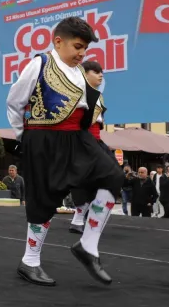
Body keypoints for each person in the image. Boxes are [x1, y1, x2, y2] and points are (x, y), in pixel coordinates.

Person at [6, 17, 124, 286]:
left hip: (77, 139)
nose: (81, 54)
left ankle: (88, 246)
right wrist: (23, 136)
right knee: (43, 201)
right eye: (78, 47)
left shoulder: (81, 72)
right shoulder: (40, 64)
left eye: (85, 49)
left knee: (113, 176)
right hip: (44, 138)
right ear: (58, 41)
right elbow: (14, 101)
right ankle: (30, 261)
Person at [68, 60, 115, 233]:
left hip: (96, 142)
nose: (101, 75)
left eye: (101, 72)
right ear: (84, 74)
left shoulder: (98, 97)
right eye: (96, 72)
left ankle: (82, 219)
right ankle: (80, 219)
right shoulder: (76, 94)